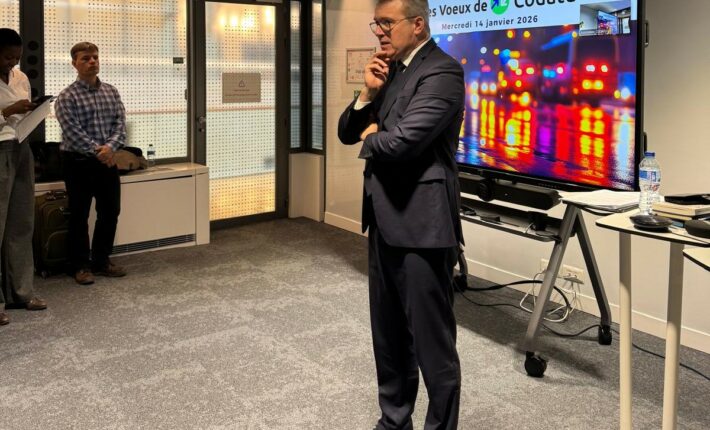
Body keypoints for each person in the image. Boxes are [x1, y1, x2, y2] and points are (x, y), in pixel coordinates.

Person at [337, 1, 465, 429]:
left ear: (418, 24)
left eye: (386, 23)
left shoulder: (443, 71)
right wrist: (367, 94)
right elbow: (346, 132)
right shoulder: (390, 70)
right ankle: (394, 422)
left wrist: (374, 134)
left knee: (433, 345)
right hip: (383, 220)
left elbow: (403, 143)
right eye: (376, 23)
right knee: (389, 337)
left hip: (422, 224)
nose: (379, 32)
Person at [54, 42, 127, 285]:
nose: (92, 61)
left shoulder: (111, 92)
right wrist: (100, 151)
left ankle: (101, 261)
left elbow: (120, 125)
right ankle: (80, 266)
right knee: (79, 215)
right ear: (74, 63)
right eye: (85, 58)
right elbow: (72, 132)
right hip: (78, 163)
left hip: (107, 161)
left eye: (95, 57)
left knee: (110, 212)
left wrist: (110, 148)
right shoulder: (67, 97)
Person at [0, 28, 48, 325]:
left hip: (21, 146)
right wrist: (6, 112)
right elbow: (7, 113)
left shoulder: (20, 78)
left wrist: (32, 111)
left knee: (21, 223)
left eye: (16, 58)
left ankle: (21, 292)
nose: (13, 63)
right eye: (7, 57)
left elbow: (22, 114)